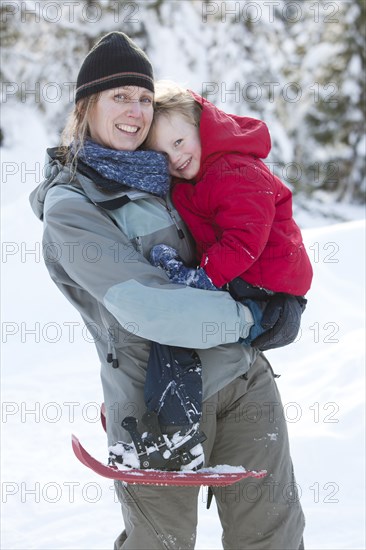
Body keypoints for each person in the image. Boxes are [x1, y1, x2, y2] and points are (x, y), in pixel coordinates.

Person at [30, 32, 305, 550]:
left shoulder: (171, 172)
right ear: (87, 105)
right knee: (161, 545)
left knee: (273, 537)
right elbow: (147, 306)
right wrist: (252, 318)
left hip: (242, 381)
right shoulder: (72, 206)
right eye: (119, 97)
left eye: (143, 99)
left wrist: (279, 283)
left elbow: (245, 219)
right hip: (156, 404)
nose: (135, 111)